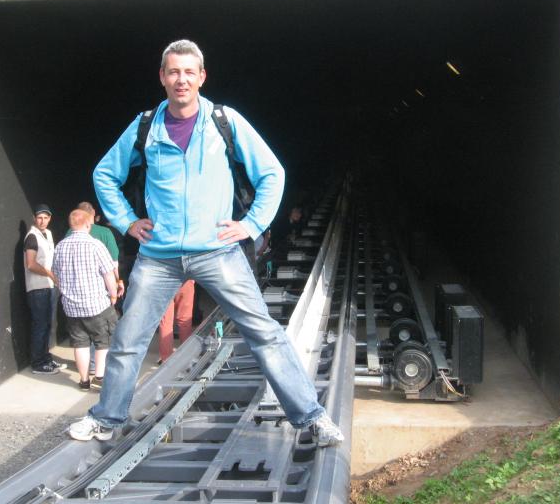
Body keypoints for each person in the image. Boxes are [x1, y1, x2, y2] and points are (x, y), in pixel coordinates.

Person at [73, 39, 344, 447]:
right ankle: (106, 418)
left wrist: (252, 225)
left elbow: (272, 173)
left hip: (217, 251)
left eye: (189, 72)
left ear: (202, 77)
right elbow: (104, 175)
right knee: (128, 340)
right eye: (173, 72)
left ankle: (312, 417)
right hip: (159, 256)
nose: (181, 79)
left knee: (264, 332)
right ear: (162, 77)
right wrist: (127, 221)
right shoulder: (146, 126)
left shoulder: (223, 121)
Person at [52, 209, 121, 390]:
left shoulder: (60, 246)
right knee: (103, 342)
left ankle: (84, 381)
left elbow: (56, 275)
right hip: (97, 305)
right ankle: (99, 377)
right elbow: (108, 274)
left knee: (80, 344)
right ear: (88, 224)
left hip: (71, 307)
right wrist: (113, 295)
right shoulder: (95, 245)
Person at [23, 204, 65, 375]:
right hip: (37, 288)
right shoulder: (31, 237)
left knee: (47, 325)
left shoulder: (48, 234)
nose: (42, 221)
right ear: (34, 218)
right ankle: (38, 364)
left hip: (49, 286)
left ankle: (46, 358)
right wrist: (49, 273)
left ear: (50, 218)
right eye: (39, 217)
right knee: (40, 325)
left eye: (46, 217)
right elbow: (31, 264)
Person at [158, 279, 194, 363]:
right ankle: (186, 355)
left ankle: (166, 358)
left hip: (164, 282)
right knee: (185, 320)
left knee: (165, 322)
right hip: (185, 281)